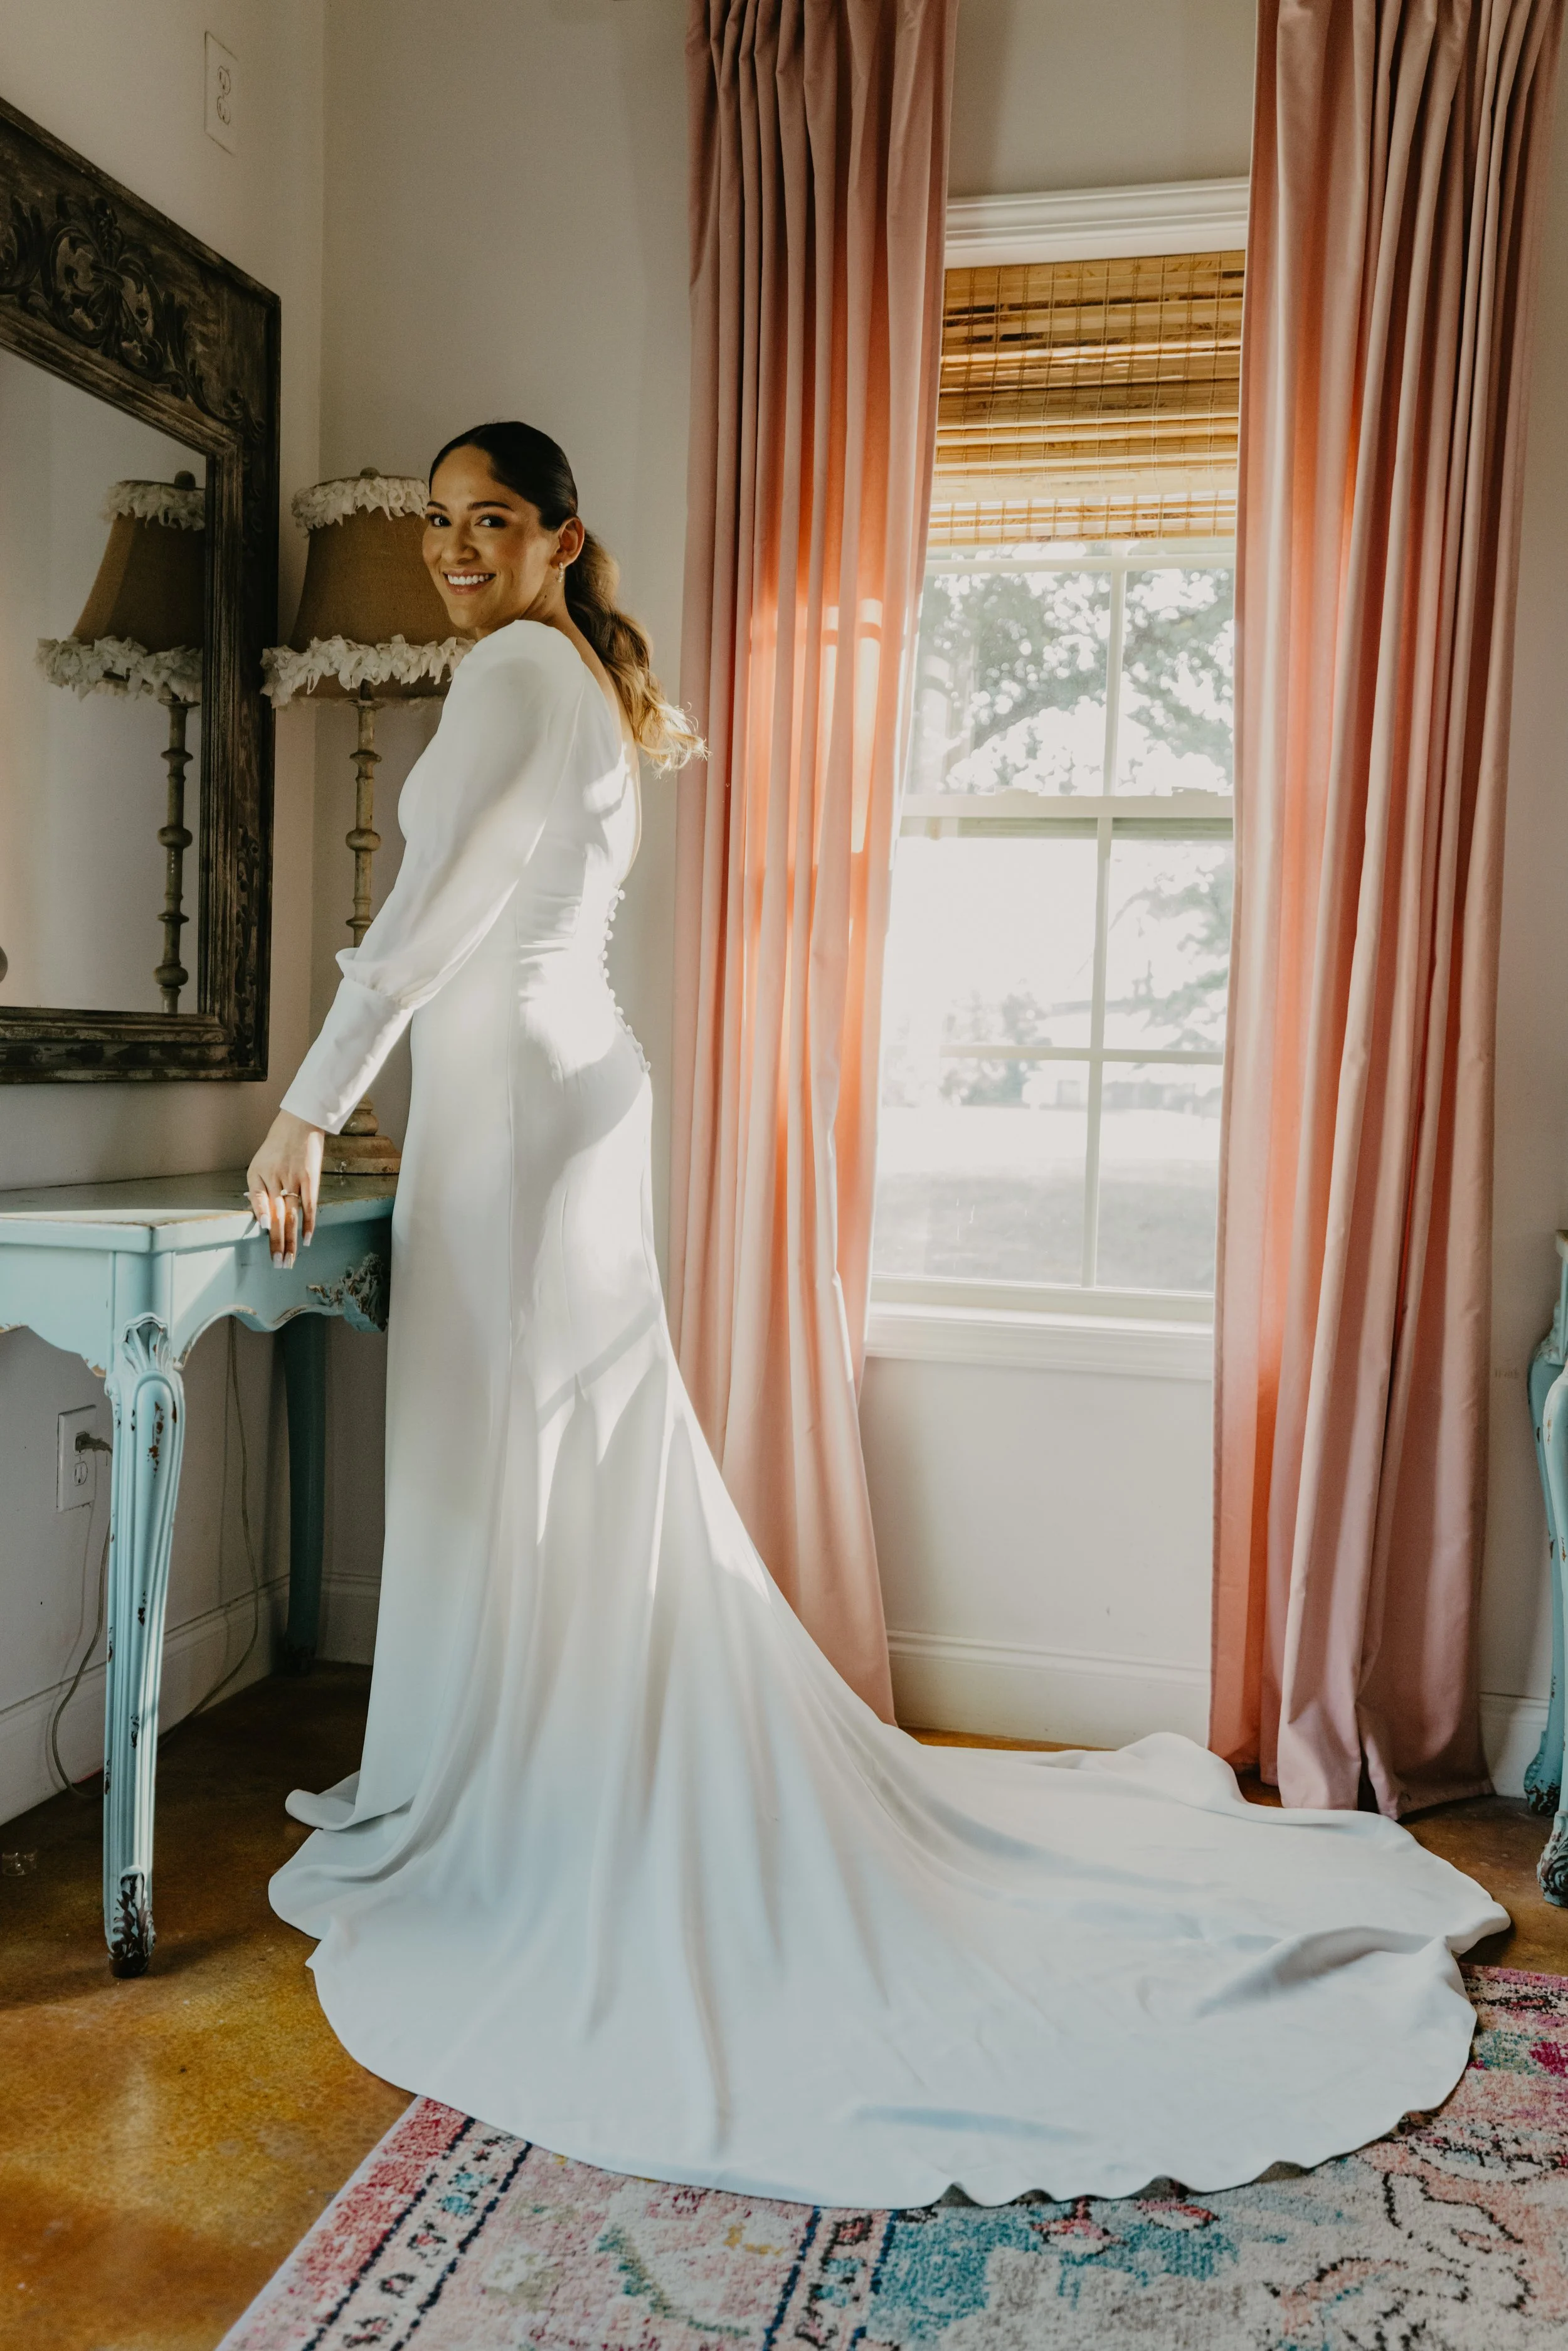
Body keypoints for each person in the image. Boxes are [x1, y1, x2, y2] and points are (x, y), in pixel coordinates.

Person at [251, 420, 1507, 2209]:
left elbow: (430, 919)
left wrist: (305, 1103)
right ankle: (488, 1761)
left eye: (492, 522)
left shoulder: (520, 672)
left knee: (497, 1452)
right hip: (560, 1092)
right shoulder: (566, 677)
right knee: (549, 1454)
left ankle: (493, 1789)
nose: (456, 549)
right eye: (440, 524)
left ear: (559, 538)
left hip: (521, 1106)